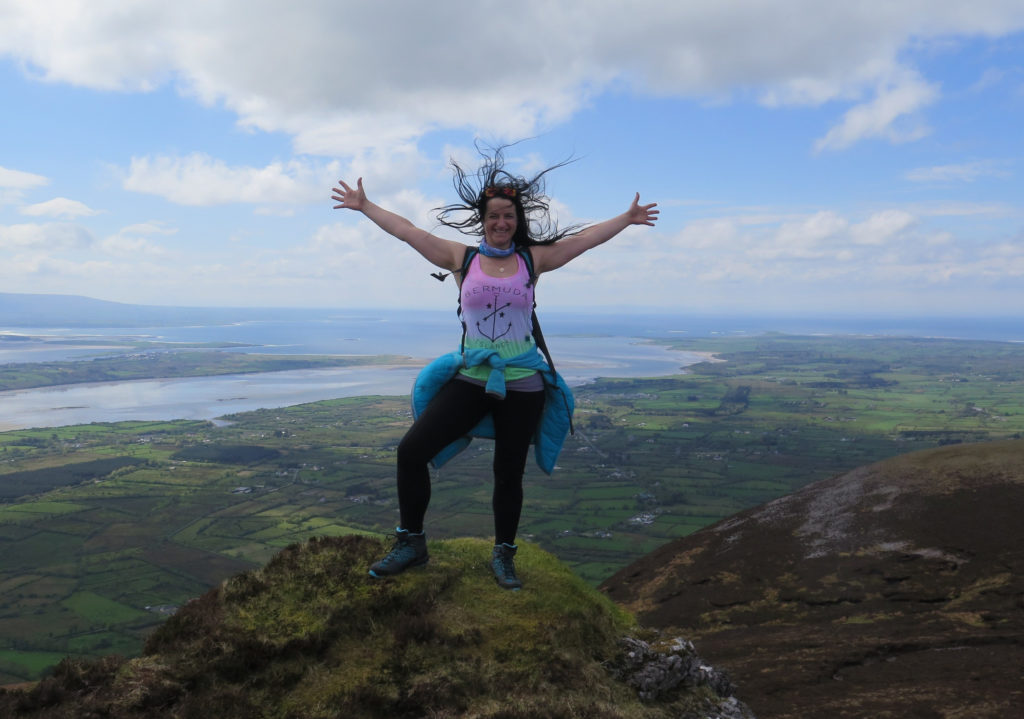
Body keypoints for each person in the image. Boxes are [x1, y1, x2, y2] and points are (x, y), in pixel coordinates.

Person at [331, 146, 658, 590]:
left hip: (523, 383)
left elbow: (583, 241)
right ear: (482, 221)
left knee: (508, 474)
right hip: (473, 377)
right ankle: (411, 543)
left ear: (517, 220)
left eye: (508, 216)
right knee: (410, 452)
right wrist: (366, 206)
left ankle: (504, 554)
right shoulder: (462, 260)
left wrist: (626, 218)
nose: (501, 223)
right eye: (493, 217)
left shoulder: (532, 260)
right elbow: (408, 232)